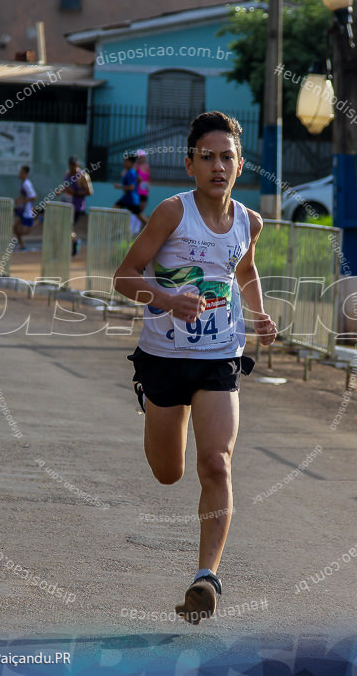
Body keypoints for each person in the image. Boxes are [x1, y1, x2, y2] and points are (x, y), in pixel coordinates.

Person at [113, 111, 277, 625]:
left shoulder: (250, 222)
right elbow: (124, 276)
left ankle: (205, 576)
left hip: (219, 358)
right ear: (190, 164)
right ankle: (160, 413)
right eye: (207, 157)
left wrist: (259, 313)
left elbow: (244, 270)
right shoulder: (170, 213)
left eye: (227, 157)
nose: (218, 166)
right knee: (169, 473)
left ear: (240, 164)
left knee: (216, 464)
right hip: (163, 359)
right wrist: (166, 299)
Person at [114, 153, 146, 234]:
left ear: (131, 163)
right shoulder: (130, 172)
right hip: (127, 198)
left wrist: (119, 186)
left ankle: (151, 227)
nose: (124, 163)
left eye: (126, 162)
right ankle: (118, 229)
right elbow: (138, 180)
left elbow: (131, 187)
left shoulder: (131, 172)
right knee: (114, 209)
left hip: (131, 199)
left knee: (140, 217)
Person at [12, 165, 37, 250]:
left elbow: (33, 197)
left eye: (21, 173)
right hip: (21, 209)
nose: (19, 174)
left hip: (26, 210)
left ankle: (39, 221)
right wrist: (18, 199)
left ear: (26, 174)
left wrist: (23, 201)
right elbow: (24, 195)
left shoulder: (27, 184)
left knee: (25, 231)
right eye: (20, 172)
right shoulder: (23, 183)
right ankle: (22, 244)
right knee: (15, 227)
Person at [64, 156, 92, 230]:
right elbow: (66, 188)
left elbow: (89, 192)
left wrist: (75, 192)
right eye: (70, 164)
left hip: (77, 207)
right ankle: (73, 241)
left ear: (78, 165)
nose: (72, 167)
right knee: (64, 226)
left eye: (73, 164)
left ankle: (75, 241)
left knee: (69, 227)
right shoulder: (67, 174)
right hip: (66, 204)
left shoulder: (82, 176)